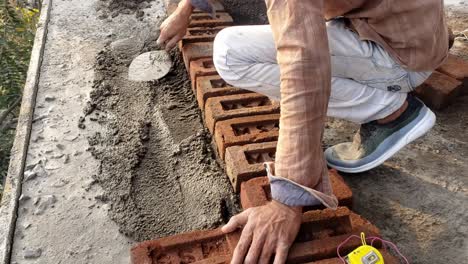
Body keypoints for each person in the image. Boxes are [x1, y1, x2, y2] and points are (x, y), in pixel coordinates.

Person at [157, 0, 449, 263]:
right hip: (416, 32)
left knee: (230, 52)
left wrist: (287, 197)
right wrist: (186, 9)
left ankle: (391, 111)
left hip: (399, 55)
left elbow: (303, 64)